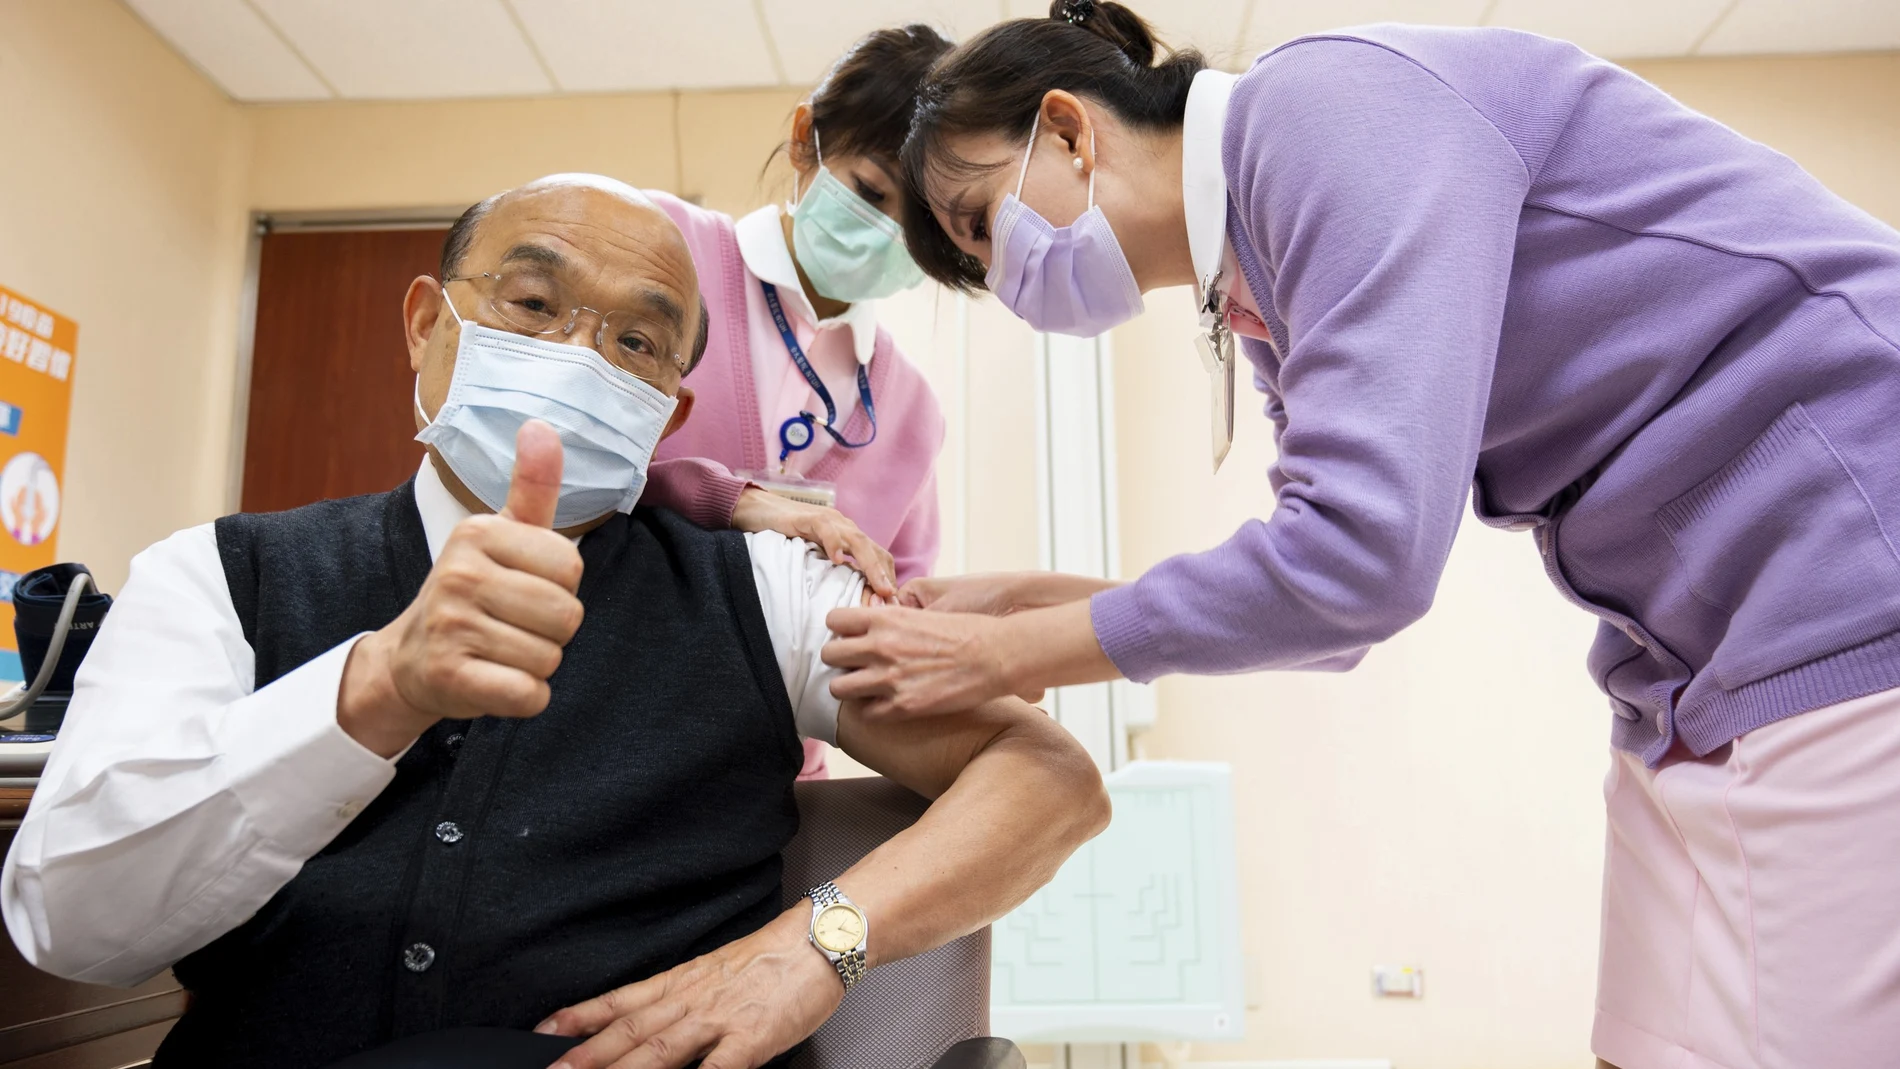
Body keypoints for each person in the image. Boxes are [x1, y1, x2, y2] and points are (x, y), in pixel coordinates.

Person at [824, 4, 1900, 1067]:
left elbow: (1358, 565)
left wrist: (1001, 655)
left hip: (1838, 565)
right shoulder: (1256, 269)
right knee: (1643, 1040)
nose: (1006, 281)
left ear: (1066, 129)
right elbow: (1319, 589)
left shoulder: (1325, 112)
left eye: (980, 225)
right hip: (1688, 648)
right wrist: (1022, 604)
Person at [0, 174, 1110, 1069]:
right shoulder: (217, 577)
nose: (579, 357)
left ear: (667, 409)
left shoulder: (763, 590)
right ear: (427, 323)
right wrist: (373, 689)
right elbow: (73, 925)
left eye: (636, 342)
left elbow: (1049, 780)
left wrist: (811, 949)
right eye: (533, 306)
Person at [642, 25, 954, 779]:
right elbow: (566, 463)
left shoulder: (909, 410)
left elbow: (893, 609)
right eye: (871, 193)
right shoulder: (663, 250)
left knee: (821, 899)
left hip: (763, 770)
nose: (886, 233)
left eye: (923, 226)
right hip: (602, 708)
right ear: (804, 141)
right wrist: (735, 500)